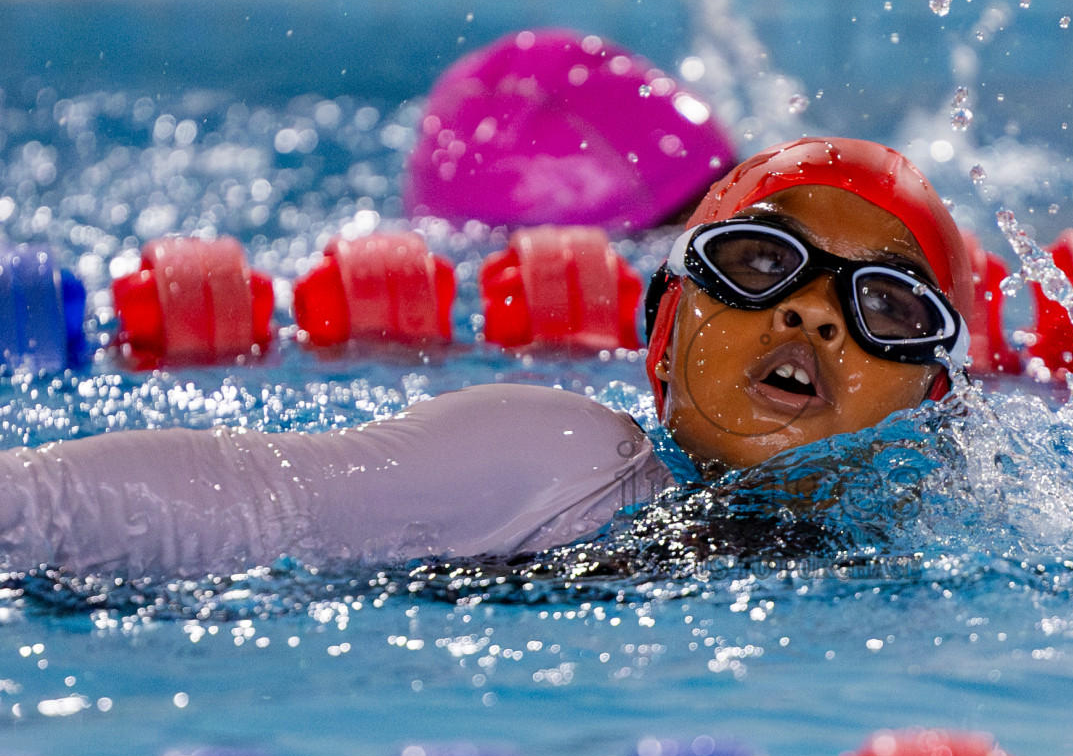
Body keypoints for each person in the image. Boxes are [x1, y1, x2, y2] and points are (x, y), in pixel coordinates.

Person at [0, 137, 976, 578]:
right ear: (665, 336)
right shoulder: (561, 460)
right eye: (760, 263)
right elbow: (269, 495)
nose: (812, 315)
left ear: (935, 399)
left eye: (886, 305)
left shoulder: (961, 558)